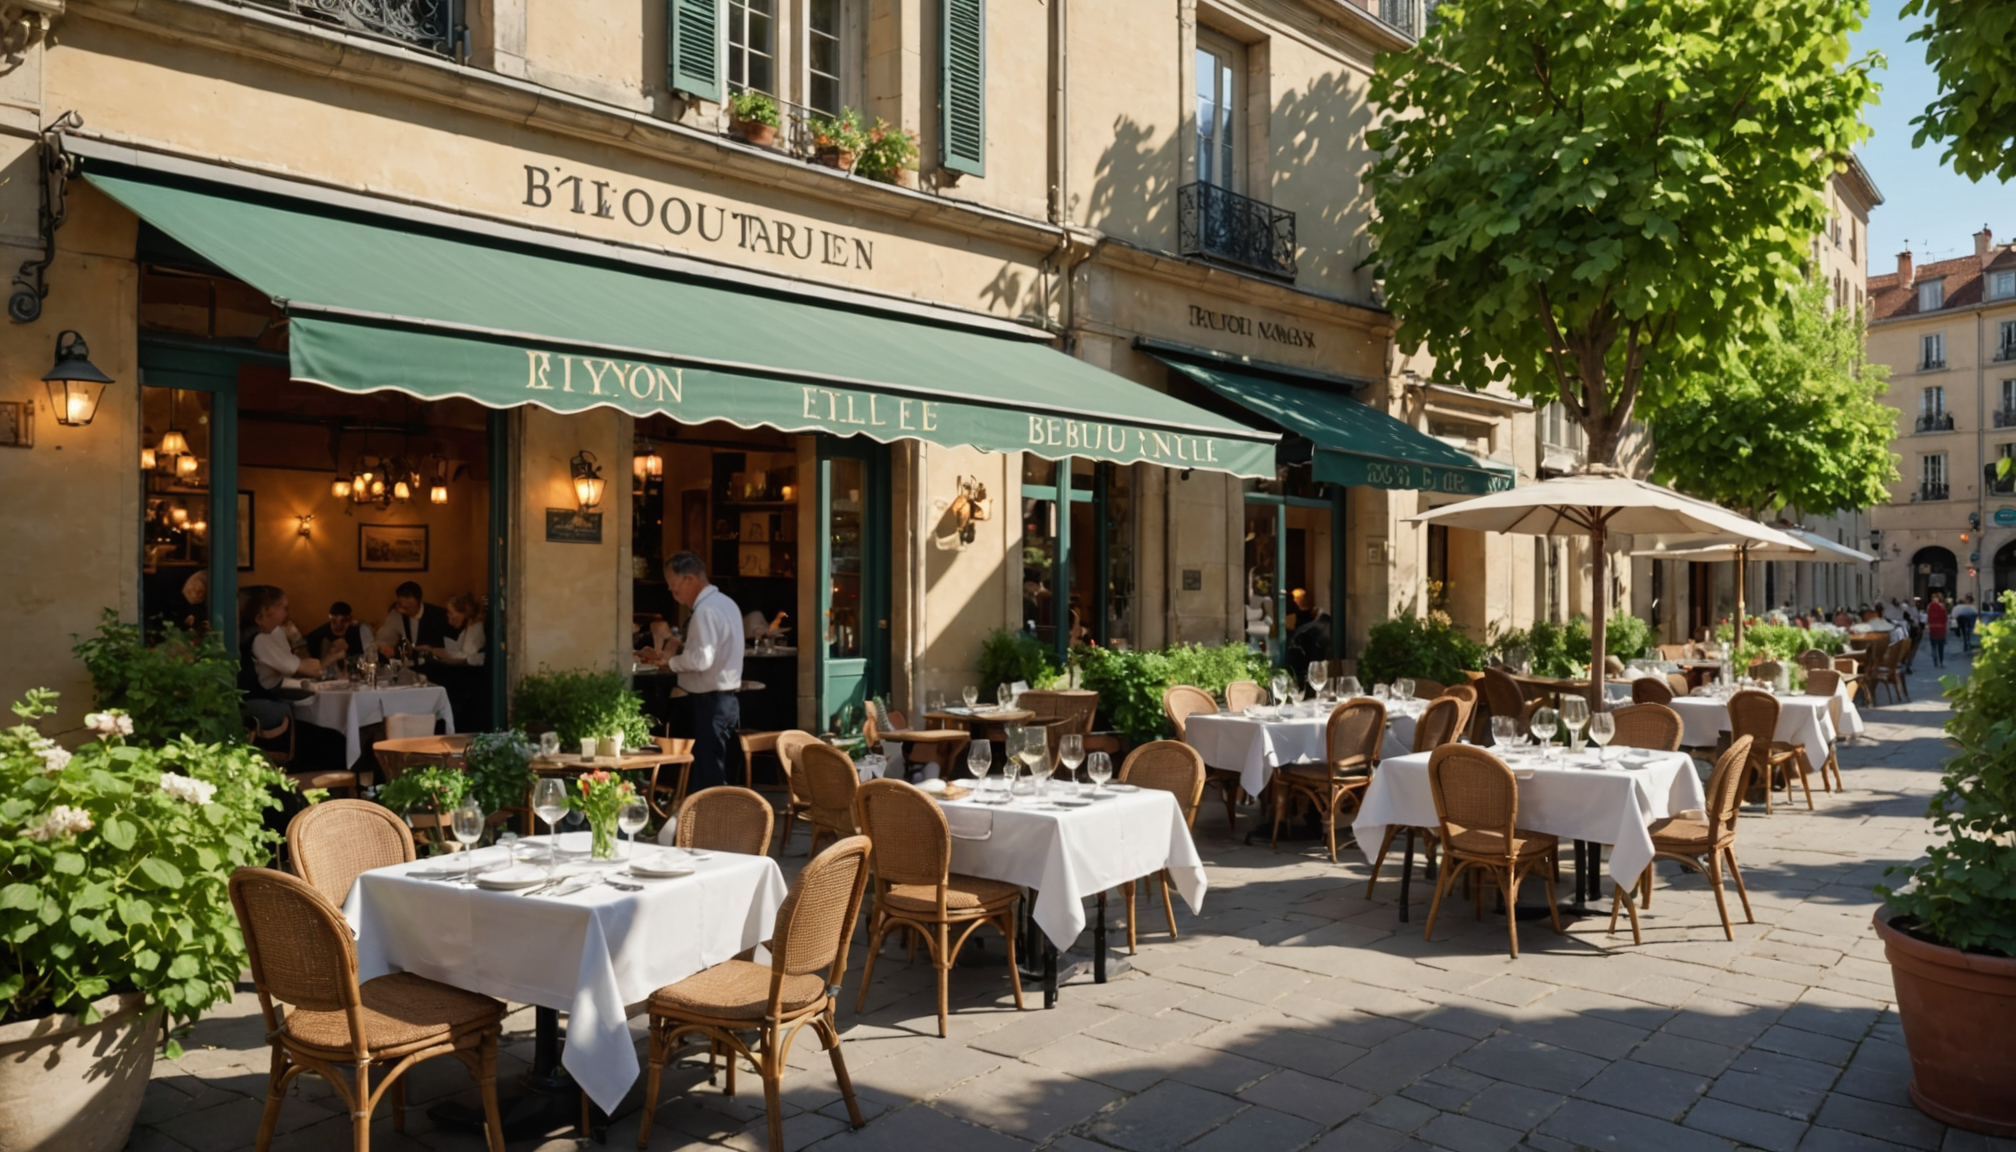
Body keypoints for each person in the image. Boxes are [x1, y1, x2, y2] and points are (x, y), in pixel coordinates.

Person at [642, 552, 743, 792]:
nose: (674, 596)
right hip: (728, 703)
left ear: (689, 580)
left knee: (708, 777)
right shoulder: (727, 604)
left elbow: (702, 659)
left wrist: (670, 663)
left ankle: (707, 827)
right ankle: (725, 826)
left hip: (709, 704)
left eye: (675, 589)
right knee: (721, 773)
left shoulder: (705, 611)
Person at [238, 585, 320, 731]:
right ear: (264, 613)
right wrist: (333, 656)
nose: (286, 614)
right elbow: (307, 669)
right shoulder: (260, 639)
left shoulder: (256, 634)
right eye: (283, 608)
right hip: (254, 704)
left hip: (263, 697)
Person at [378, 581, 451, 656]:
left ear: (419, 603)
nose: (401, 610)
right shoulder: (396, 614)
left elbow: (451, 648)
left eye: (407, 608)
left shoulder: (439, 615)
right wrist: (384, 647)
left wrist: (432, 650)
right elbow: (385, 637)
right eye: (400, 605)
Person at [425, 594, 487, 665]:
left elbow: (467, 658)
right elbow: (457, 651)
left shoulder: (476, 629)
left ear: (463, 612)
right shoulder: (464, 632)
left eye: (451, 613)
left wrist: (439, 652)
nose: (449, 617)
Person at [302, 601, 372, 663]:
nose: (339, 625)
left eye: (344, 620)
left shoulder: (359, 631)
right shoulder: (316, 637)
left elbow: (370, 657)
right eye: (334, 621)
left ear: (350, 620)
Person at [1925, 593, 1949, 668]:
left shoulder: (1929, 606)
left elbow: (1928, 617)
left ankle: (1935, 660)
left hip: (1933, 628)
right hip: (1941, 629)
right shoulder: (1942, 607)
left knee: (1934, 646)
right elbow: (1945, 618)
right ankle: (1941, 661)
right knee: (1941, 647)